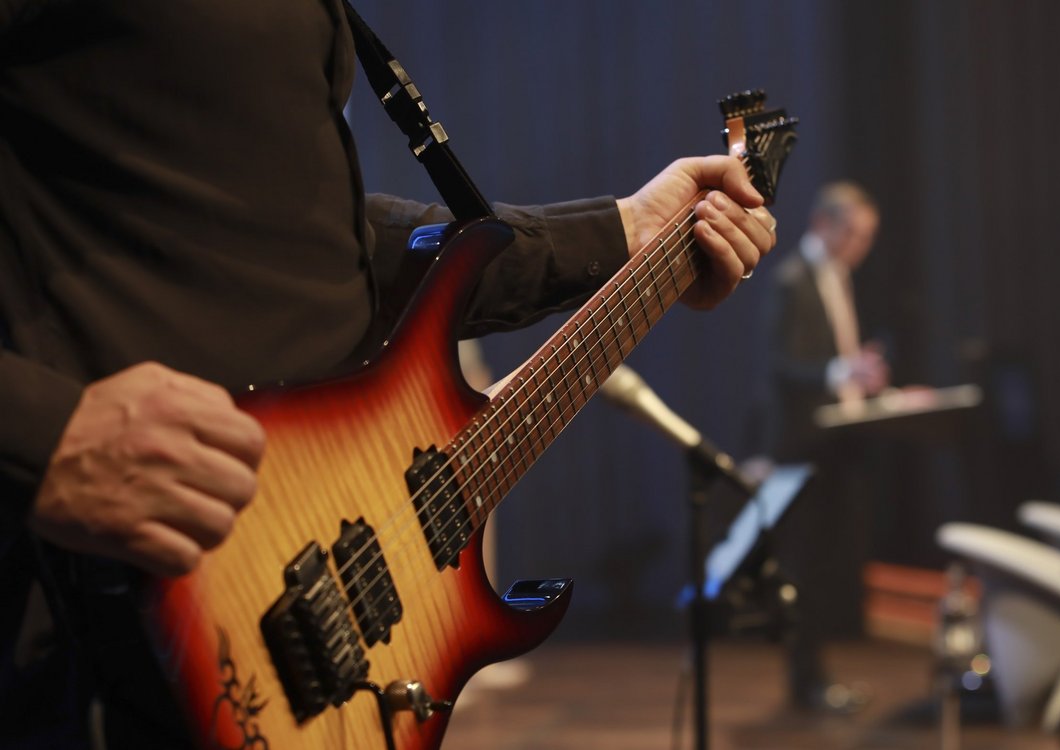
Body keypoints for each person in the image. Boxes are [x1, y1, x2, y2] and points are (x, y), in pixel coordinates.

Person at [0, 3, 776, 747]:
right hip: (102, 635)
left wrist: (623, 230)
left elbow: (319, 247)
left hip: (303, 616)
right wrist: (45, 434)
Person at [763, 180, 884, 711]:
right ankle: (804, 681)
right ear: (823, 224)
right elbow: (780, 366)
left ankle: (816, 679)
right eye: (854, 234)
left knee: (827, 565)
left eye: (867, 237)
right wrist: (842, 371)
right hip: (800, 447)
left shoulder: (838, 276)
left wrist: (865, 378)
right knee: (804, 565)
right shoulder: (793, 279)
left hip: (834, 444)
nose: (861, 246)